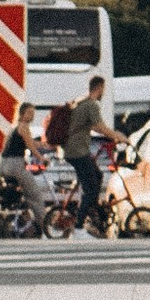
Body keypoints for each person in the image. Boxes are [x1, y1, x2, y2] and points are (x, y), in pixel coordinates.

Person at [59, 75, 111, 236]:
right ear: (99, 87)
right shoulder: (91, 105)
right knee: (91, 189)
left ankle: (89, 210)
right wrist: (117, 135)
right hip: (78, 152)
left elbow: (93, 127)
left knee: (97, 175)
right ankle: (80, 226)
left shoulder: (80, 102)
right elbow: (99, 127)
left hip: (74, 150)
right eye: (103, 89)